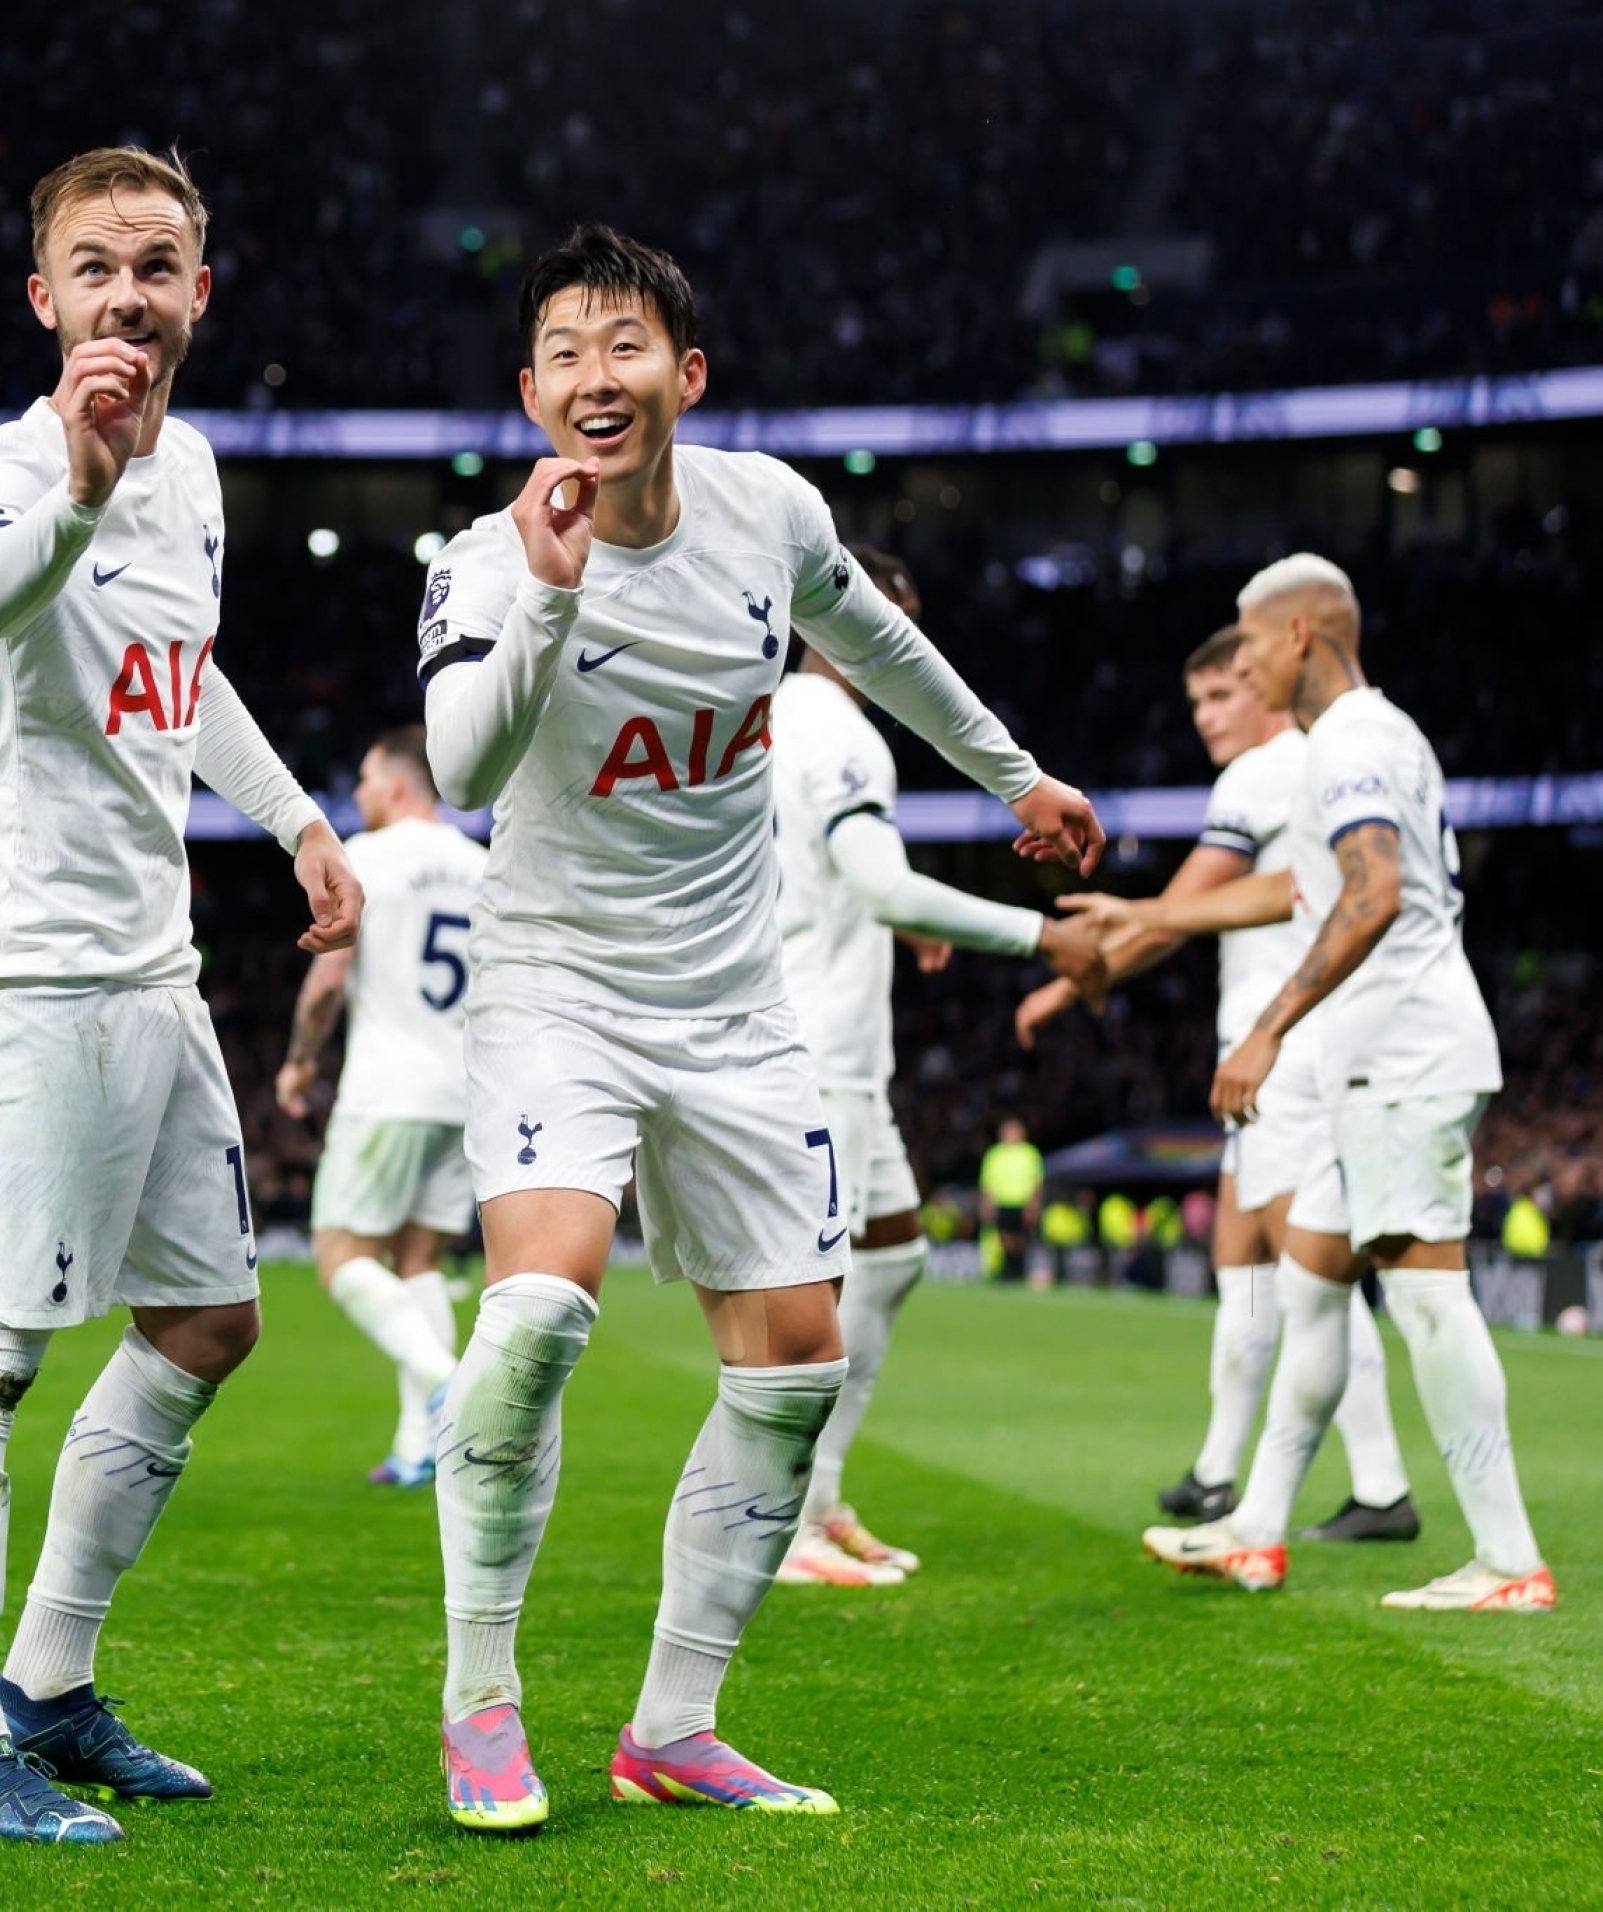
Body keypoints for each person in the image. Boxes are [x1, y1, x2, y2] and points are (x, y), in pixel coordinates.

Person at [413, 225, 1103, 1831]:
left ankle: (673, 1725)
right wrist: (546, 597)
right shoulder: (481, 554)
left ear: (686, 373)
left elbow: (876, 643)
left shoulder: (767, 512)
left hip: (730, 1004)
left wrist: (1015, 778)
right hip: (556, 989)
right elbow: (455, 771)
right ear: (529, 393)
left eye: (626, 346)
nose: (598, 377)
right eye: (566, 353)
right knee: (531, 1316)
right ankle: (479, 1703)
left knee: (792, 1366)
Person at [0, 146, 363, 1845]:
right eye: (92, 266)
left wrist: (298, 817)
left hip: (152, 969)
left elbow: (183, 673)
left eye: (154, 265)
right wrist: (83, 482)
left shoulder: (205, 473)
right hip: (24, 971)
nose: (124, 294)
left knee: (207, 1322)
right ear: (45, 298)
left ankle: (48, 1681)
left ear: (196, 296)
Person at [1070, 555, 1549, 1613]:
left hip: (1398, 1051)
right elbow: (1323, 886)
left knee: (1426, 1297)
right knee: (1311, 1284)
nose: (1238, 664)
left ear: (1294, 635)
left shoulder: (1348, 741)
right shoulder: (1381, 734)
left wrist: (1265, 1032)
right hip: (1375, 1056)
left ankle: (1508, 1561)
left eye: (1244, 644)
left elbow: (1369, 892)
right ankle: (1253, 1529)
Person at [1019, 627, 1416, 1539]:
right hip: (1293, 1047)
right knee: (1244, 1259)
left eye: (1221, 695)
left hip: (1288, 1051)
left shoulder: (1267, 773)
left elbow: (1175, 914)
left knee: (1301, 1269)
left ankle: (1375, 1485)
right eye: (1196, 701)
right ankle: (1217, 1469)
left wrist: (1068, 976)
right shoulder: (1315, 764)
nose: (1205, 718)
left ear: (1267, 684)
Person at [767, 546, 1111, 1589]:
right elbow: (876, 881)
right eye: (884, 616)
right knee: (802, 1300)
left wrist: (894, 914)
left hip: (823, 1042)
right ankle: (777, 1525)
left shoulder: (776, 717)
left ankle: (816, 1501)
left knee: (892, 1256)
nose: (896, 642)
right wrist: (1039, 937)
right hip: (810, 1048)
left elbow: (839, 881)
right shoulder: (835, 733)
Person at [275, 726, 488, 1487]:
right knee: (419, 1261)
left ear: (397, 787)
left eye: (366, 779)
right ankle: (420, 1447)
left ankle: (455, 1387)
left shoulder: (366, 860)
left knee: (341, 1256)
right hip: (462, 1091)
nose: (358, 793)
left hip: (387, 1085)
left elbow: (329, 980)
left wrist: (300, 1063)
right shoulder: (483, 867)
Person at [978, 1118, 1045, 1281]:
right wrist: (986, 1202)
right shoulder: (994, 1154)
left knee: (1020, 1237)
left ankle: (1018, 1268)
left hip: (1022, 1201)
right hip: (1003, 1201)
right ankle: (1009, 1267)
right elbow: (987, 1181)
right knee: (1004, 1236)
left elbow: (1037, 1181)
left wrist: (1035, 1202)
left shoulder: (1030, 1153)